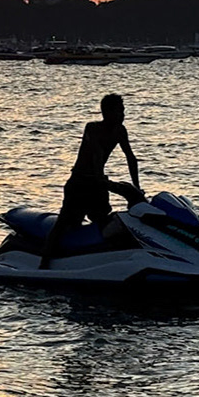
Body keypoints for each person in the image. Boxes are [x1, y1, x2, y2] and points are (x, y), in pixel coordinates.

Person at [39, 93, 141, 268]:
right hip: (79, 183)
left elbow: (130, 158)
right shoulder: (92, 128)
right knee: (64, 224)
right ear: (107, 113)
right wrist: (99, 177)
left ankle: (98, 261)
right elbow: (97, 153)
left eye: (123, 111)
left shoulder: (120, 131)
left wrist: (137, 188)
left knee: (104, 222)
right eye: (119, 111)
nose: (123, 115)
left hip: (97, 184)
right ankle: (44, 263)